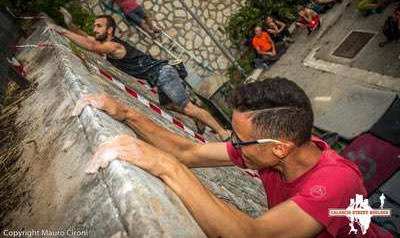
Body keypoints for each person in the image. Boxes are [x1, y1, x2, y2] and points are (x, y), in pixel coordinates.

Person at [73, 78, 394, 238]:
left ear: (279, 147)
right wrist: (126, 113)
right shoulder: (272, 151)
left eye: (239, 140)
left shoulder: (336, 184)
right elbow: (189, 151)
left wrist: (164, 166)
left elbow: (252, 235)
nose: (232, 145)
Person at [48, 15, 231, 141]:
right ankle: (199, 118)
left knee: (187, 107)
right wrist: (71, 25)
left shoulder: (114, 46)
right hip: (159, 75)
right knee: (167, 105)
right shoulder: (108, 43)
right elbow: (88, 38)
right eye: (94, 26)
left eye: (99, 26)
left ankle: (223, 132)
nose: (94, 29)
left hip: (163, 73)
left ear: (110, 30)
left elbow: (90, 44)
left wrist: (61, 31)